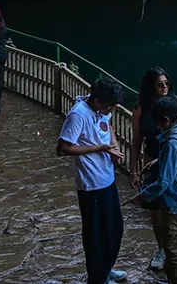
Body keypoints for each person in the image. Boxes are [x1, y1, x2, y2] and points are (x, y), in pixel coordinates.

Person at [130, 68, 177, 271]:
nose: (165, 88)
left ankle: (176, 256)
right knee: (156, 211)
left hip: (174, 159)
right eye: (159, 84)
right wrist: (134, 171)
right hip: (153, 158)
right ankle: (163, 250)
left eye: (167, 83)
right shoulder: (141, 108)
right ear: (150, 87)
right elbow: (136, 141)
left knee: (174, 207)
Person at [58, 78, 128, 284]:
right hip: (91, 185)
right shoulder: (78, 115)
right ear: (97, 101)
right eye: (110, 105)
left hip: (107, 179)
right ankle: (98, 278)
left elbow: (108, 126)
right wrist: (99, 148)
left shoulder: (101, 110)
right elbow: (63, 148)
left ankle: (106, 268)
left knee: (114, 229)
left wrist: (113, 146)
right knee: (96, 234)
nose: (112, 109)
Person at [138, 95, 177, 284]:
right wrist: (157, 161)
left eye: (158, 123)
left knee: (173, 250)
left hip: (176, 202)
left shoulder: (172, 143)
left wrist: (142, 196)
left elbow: (164, 182)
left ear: (165, 120)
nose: (157, 127)